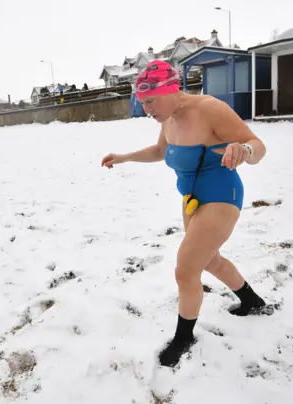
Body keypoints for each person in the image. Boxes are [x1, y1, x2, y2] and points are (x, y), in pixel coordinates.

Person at [101, 60, 269, 368]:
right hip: (191, 198)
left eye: (151, 101)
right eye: (142, 103)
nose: (147, 109)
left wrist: (244, 151)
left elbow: (257, 144)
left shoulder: (209, 109)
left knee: (186, 270)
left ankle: (184, 337)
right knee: (209, 260)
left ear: (171, 89)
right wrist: (124, 158)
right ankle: (252, 301)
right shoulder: (167, 118)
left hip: (221, 194)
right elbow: (161, 151)